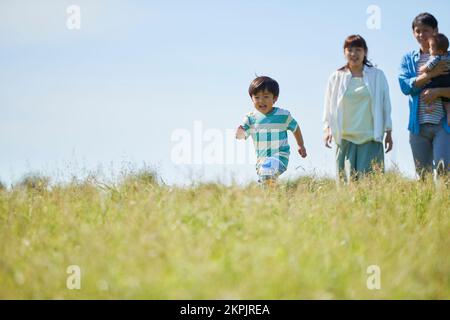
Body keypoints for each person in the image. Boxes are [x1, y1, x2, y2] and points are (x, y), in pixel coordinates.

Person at [323, 35, 393, 182]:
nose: (354, 54)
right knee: (346, 185)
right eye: (350, 50)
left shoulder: (377, 76)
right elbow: (328, 106)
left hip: (370, 137)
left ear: (365, 52)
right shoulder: (336, 77)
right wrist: (327, 129)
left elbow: (386, 104)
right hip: (345, 138)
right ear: (344, 52)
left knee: (371, 185)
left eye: (358, 50)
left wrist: (388, 131)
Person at [399, 13, 450, 178]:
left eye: (426, 30)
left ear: (435, 31)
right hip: (418, 125)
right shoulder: (408, 59)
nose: (421, 35)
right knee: (423, 175)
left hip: (443, 123)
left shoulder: (447, 57)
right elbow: (405, 87)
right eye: (417, 31)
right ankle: (428, 203)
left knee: (444, 169)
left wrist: (438, 92)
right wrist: (429, 75)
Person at [235, 76, 307, 185]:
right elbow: (242, 135)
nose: (261, 101)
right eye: (257, 97)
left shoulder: (283, 115)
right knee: (265, 181)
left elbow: (295, 128)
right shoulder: (251, 118)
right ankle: (274, 199)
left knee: (267, 172)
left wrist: (301, 145)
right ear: (252, 99)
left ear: (275, 98)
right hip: (261, 160)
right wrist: (239, 133)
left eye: (266, 96)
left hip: (280, 156)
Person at [418, 33, 450, 126]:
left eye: (431, 48)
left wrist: (422, 68)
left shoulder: (436, 58)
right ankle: (449, 113)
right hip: (448, 80)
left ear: (439, 51)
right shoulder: (448, 55)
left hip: (439, 80)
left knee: (426, 90)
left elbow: (428, 67)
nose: (429, 49)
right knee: (447, 101)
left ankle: (431, 106)